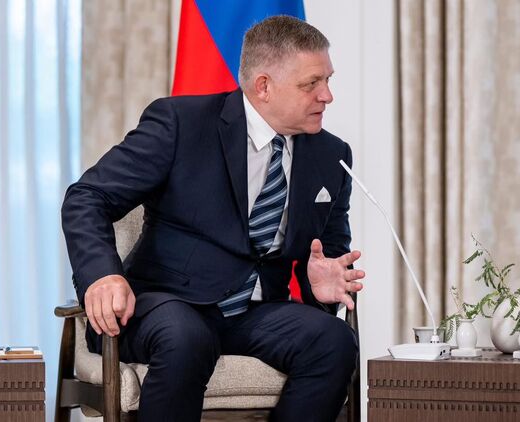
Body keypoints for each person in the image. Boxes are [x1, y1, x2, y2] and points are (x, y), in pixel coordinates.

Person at [61, 15, 365, 422]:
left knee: (333, 341)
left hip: (256, 312)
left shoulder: (332, 155)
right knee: (187, 336)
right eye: (311, 83)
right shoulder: (181, 124)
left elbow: (327, 257)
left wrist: (319, 287)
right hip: (164, 303)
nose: (327, 95)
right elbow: (87, 197)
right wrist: (102, 276)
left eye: (327, 79)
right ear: (263, 86)